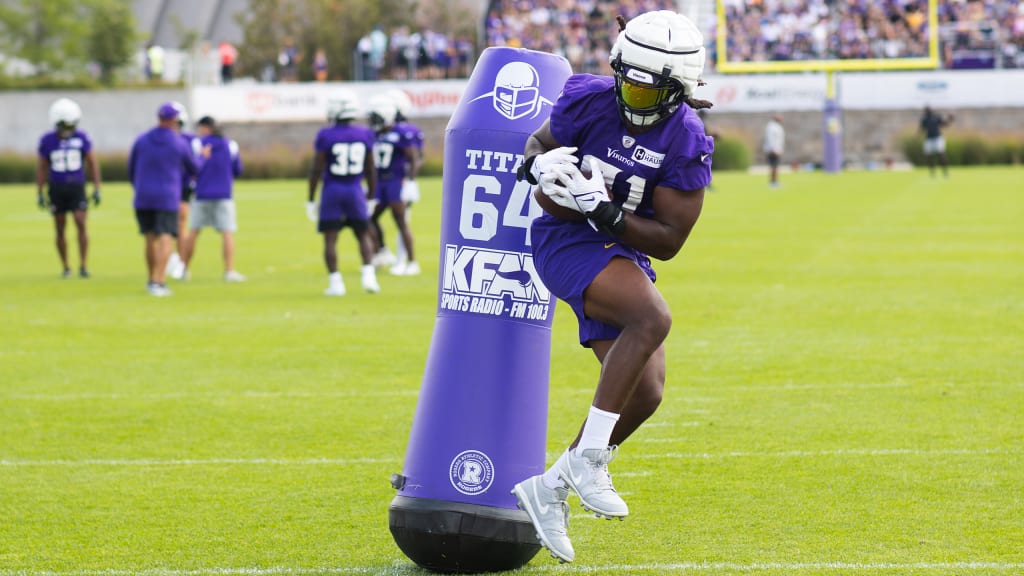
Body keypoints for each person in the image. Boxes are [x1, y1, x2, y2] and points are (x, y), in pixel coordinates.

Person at [509, 10, 713, 563]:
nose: (632, 98)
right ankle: (590, 457)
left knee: (645, 393)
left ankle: (549, 489)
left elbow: (669, 239)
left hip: (620, 245)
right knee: (654, 318)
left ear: (678, 92)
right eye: (629, 82)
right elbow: (536, 145)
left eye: (649, 94)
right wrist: (535, 167)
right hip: (565, 239)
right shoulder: (589, 99)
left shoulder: (687, 138)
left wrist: (606, 213)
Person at [307, 90, 380, 296]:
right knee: (362, 234)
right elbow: (370, 168)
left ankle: (336, 284)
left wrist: (311, 199)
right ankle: (369, 277)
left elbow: (316, 169)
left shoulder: (326, 134)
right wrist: (372, 195)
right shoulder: (364, 133)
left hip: (332, 190)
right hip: (355, 189)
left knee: (330, 239)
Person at [128, 103, 198, 296]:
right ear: (174, 120)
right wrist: (203, 158)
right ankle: (159, 281)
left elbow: (131, 169)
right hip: (167, 196)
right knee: (165, 237)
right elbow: (194, 168)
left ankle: (151, 279)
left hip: (143, 196)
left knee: (149, 238)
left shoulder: (142, 140)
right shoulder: (178, 142)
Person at [37, 98, 102, 278]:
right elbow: (42, 166)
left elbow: (92, 163)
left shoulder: (82, 138)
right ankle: (66, 266)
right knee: (59, 227)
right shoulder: (47, 140)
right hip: (57, 187)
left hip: (76, 186)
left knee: (81, 223)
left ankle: (83, 265)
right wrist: (39, 191)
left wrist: (97, 187)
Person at [180, 116, 245, 282]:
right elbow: (238, 169)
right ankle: (229, 271)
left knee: (194, 232)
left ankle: (184, 270)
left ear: (205, 128)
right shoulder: (231, 145)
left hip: (201, 194)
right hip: (224, 194)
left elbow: (190, 167)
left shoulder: (196, 144)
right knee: (227, 233)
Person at [367, 94, 422, 277]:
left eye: (376, 117)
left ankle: (412, 262)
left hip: (395, 181)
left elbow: (414, 158)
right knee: (370, 218)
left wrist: (410, 181)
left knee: (401, 221)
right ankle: (383, 251)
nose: (373, 121)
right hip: (379, 182)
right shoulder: (375, 134)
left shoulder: (400, 133)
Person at [166, 102, 203, 280]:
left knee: (180, 225)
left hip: (181, 187)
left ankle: (181, 263)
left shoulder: (188, 140)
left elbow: (194, 165)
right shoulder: (165, 139)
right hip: (166, 187)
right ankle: (173, 259)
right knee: (165, 228)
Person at [920, 105, 953, 177]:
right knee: (929, 156)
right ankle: (932, 172)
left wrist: (950, 119)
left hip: (938, 138)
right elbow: (922, 129)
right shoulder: (924, 119)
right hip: (928, 138)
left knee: (941, 154)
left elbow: (944, 124)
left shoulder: (936, 117)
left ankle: (945, 171)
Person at [764, 113, 785, 187]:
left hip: (777, 149)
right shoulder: (771, 127)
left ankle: (775, 181)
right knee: (774, 166)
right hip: (773, 150)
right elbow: (771, 139)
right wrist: (773, 149)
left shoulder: (777, 126)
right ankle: (773, 182)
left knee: (775, 166)